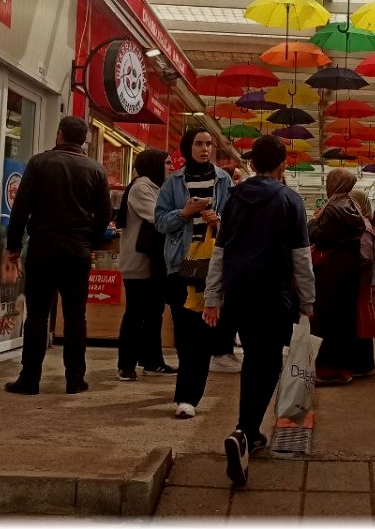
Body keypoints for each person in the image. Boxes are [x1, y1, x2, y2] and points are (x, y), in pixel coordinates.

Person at [202, 134, 315, 486]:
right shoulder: (289, 201)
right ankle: (245, 432)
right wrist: (309, 302)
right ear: (283, 165)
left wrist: (213, 296)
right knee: (266, 364)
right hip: (272, 295)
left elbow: (220, 251)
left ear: (251, 164)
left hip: (238, 294)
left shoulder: (234, 200)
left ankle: (248, 431)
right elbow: (301, 258)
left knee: (256, 359)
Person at [4, 116, 111, 396]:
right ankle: (75, 380)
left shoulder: (39, 163)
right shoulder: (96, 170)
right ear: (83, 139)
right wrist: (91, 242)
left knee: (38, 314)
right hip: (77, 251)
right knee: (76, 316)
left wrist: (13, 245)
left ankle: (29, 379)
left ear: (59, 134)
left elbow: (20, 209)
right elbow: (105, 215)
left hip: (43, 247)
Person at [155, 128, 232, 418]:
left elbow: (235, 223)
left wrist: (219, 219)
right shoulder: (173, 183)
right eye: (199, 143)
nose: (204, 148)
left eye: (209, 144)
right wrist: (184, 213)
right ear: (188, 147)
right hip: (180, 264)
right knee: (183, 331)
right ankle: (182, 393)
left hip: (211, 265)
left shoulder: (223, 181)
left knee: (201, 332)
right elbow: (160, 222)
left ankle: (190, 397)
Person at [114, 148, 173, 381]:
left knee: (154, 313)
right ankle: (126, 365)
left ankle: (152, 361)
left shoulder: (158, 187)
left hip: (156, 263)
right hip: (138, 263)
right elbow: (158, 217)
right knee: (136, 314)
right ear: (154, 164)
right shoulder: (141, 187)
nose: (171, 167)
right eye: (167, 163)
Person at [308, 168, 366, 386]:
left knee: (326, 318)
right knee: (345, 319)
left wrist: (313, 222)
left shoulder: (333, 208)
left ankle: (327, 369)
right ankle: (344, 367)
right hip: (350, 268)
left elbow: (318, 235)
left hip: (331, 270)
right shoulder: (352, 206)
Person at [349, 188, 375, 378]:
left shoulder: (362, 225)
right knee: (361, 321)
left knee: (360, 321)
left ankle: (363, 364)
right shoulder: (364, 223)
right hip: (364, 281)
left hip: (360, 281)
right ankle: (363, 363)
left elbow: (365, 256)